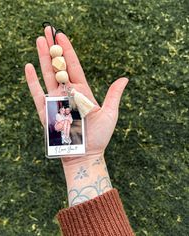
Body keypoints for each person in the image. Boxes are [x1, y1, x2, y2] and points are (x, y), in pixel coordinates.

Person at [25, 26, 135, 235]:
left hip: (71, 134)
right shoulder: (62, 115)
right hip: (68, 133)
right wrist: (84, 160)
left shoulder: (66, 113)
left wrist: (84, 159)